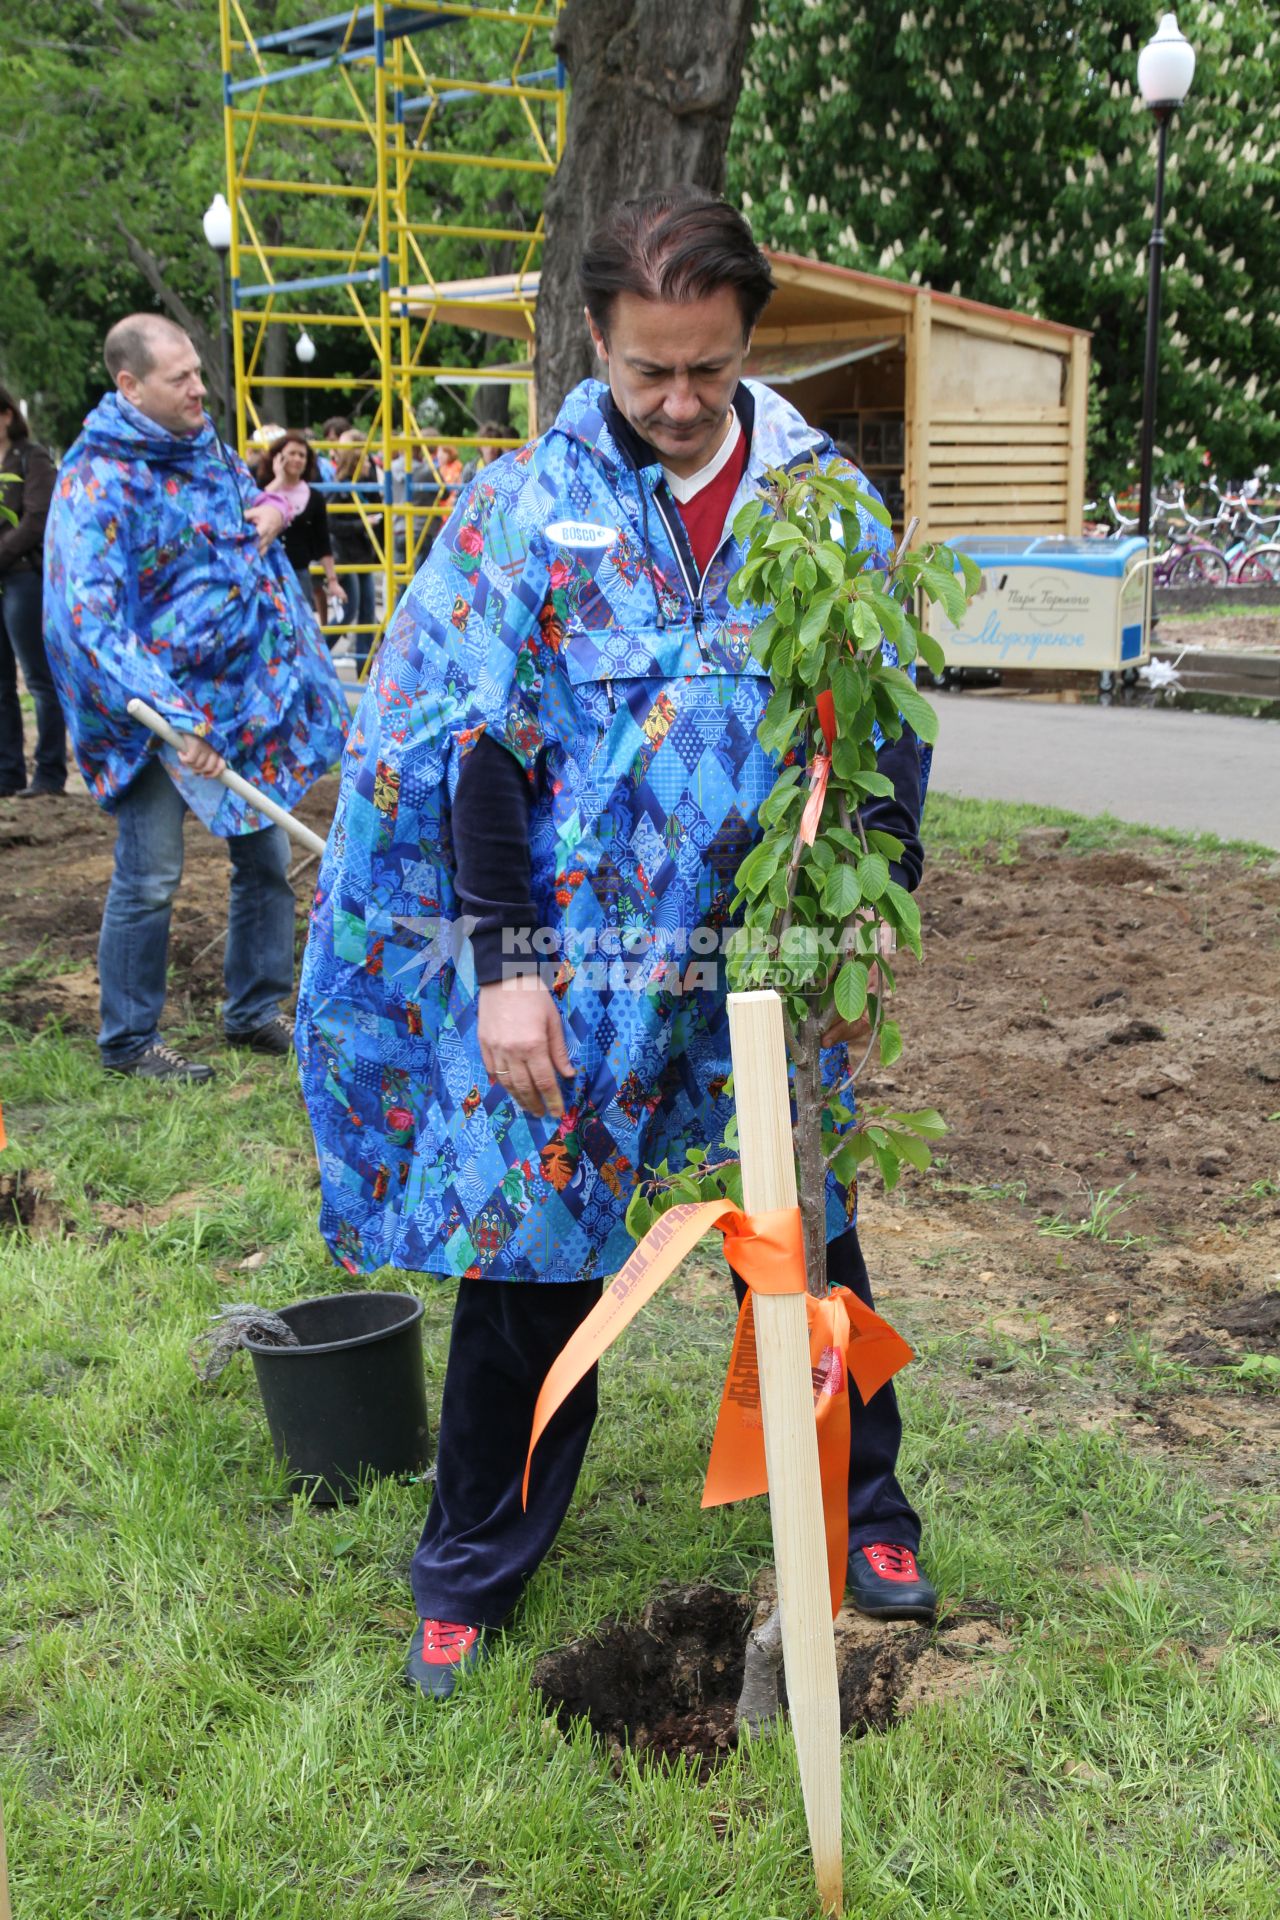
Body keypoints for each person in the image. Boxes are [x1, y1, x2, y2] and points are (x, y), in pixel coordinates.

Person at [296, 188, 935, 1700]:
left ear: (746, 346)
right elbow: (475, 752)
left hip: (759, 957)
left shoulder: (822, 502)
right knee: (529, 1266)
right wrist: (507, 968)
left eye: (708, 368)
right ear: (595, 336)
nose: (676, 399)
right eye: (648, 367)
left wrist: (857, 924)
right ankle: (470, 1566)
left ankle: (863, 1513)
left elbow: (888, 732)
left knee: (802, 1241)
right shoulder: (525, 506)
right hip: (580, 974)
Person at [43, 313, 348, 1082]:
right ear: (129, 385)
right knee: (151, 873)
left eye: (198, 373)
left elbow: (242, 517)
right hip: (148, 716)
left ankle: (254, 1010)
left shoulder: (202, 446)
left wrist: (275, 513)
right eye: (180, 377)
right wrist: (176, 722)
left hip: (234, 702)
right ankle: (129, 1041)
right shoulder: (96, 480)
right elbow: (87, 617)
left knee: (265, 856)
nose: (198, 388)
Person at [0, 386, 67, 797]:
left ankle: (49, 772)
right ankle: (8, 774)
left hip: (24, 578)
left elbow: (38, 518)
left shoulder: (31, 456)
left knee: (39, 679)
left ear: (7, 415)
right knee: (1, 684)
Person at [253, 431, 344, 628]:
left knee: (299, 628)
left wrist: (332, 580)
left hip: (299, 573)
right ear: (278, 456)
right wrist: (279, 478)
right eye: (292, 453)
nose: (297, 459)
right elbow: (254, 507)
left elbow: (322, 543)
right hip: (265, 571)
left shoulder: (315, 497)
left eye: (302, 455)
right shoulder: (263, 487)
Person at [329, 431, 380, 673]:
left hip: (364, 557)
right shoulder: (340, 489)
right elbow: (332, 524)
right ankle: (319, 651)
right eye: (366, 462)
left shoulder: (366, 489)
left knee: (368, 614)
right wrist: (363, 523)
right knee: (348, 611)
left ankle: (364, 667)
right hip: (346, 558)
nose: (371, 465)